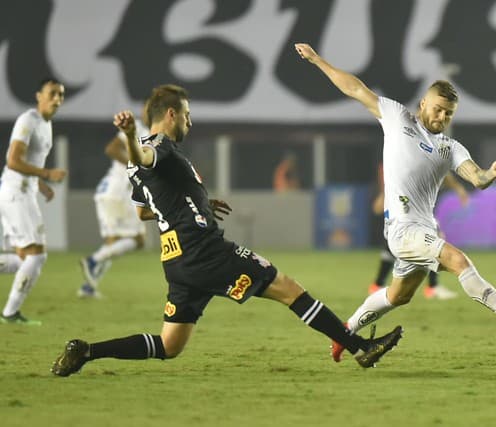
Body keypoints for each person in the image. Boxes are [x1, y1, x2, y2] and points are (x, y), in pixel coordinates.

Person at [51, 84, 403, 377]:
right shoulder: (157, 146)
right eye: (186, 114)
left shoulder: (145, 164)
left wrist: (200, 204)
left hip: (177, 262)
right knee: (289, 289)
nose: (190, 121)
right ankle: (360, 347)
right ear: (171, 114)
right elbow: (144, 156)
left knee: (169, 345)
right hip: (205, 251)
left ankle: (86, 352)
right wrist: (129, 135)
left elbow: (148, 210)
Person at [294, 43, 496, 362]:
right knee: (458, 261)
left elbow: (476, 178)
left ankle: (345, 333)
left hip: (422, 229)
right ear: (423, 103)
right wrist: (318, 61)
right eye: (438, 108)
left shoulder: (450, 148)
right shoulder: (398, 118)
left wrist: (490, 173)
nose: (442, 116)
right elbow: (355, 88)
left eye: (449, 113)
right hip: (402, 229)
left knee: (400, 295)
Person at [0, 78, 67, 325]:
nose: (57, 99)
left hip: (24, 192)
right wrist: (47, 174)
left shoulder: (46, 125)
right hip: (15, 193)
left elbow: (30, 164)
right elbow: (13, 161)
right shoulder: (28, 120)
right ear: (39, 96)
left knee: (22, 258)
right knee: (37, 256)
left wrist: (41, 185)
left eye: (61, 94)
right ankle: (9, 313)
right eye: (52, 93)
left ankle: (10, 313)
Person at [77, 116, 151, 298]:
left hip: (109, 191)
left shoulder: (145, 132)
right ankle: (93, 260)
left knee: (113, 244)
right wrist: (135, 165)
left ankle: (89, 286)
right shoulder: (141, 130)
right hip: (117, 192)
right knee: (138, 240)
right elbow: (112, 148)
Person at [368, 167, 468, 300]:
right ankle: (432, 287)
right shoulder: (404, 173)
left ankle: (378, 285)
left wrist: (458, 189)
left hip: (412, 218)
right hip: (405, 218)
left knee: (427, 241)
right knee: (431, 240)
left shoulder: (419, 166)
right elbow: (377, 207)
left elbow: (444, 173)